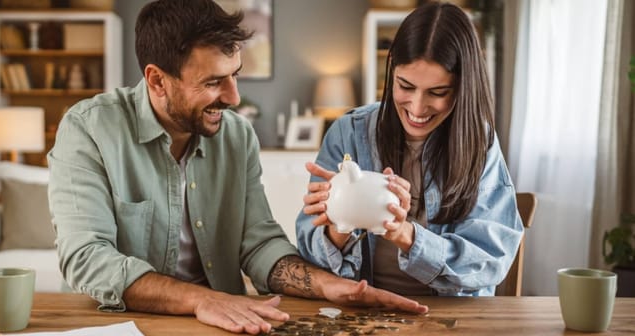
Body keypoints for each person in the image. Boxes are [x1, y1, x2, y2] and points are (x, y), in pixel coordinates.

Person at [48, 0, 428, 334]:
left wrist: (327, 284)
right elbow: (86, 259)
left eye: (235, 74)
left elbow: (258, 243)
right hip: (119, 324)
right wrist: (202, 300)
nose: (233, 97)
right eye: (214, 82)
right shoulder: (88, 130)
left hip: (229, 323)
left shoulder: (236, 136)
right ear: (157, 80)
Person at [297, 2, 524, 297]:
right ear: (391, 71)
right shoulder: (348, 132)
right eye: (405, 86)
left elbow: (490, 260)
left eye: (438, 92)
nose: (417, 108)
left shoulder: (479, 143)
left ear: (463, 88)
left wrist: (405, 234)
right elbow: (309, 255)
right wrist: (339, 222)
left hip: (453, 317)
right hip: (365, 308)